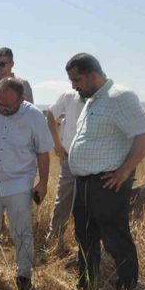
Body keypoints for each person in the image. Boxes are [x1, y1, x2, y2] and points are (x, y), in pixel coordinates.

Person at [66, 53, 145, 290]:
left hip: (107, 184)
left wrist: (125, 171)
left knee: (116, 242)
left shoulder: (119, 95)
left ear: (93, 75)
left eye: (77, 80)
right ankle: (86, 289)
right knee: (85, 239)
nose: (74, 86)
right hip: (83, 184)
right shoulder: (92, 99)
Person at [0, 77, 53, 290]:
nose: (2, 109)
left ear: (22, 99)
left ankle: (24, 273)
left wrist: (43, 183)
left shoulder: (34, 115)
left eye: (8, 106)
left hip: (18, 184)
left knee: (21, 231)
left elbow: (43, 152)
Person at [45, 89, 85, 242]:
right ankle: (54, 240)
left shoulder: (100, 97)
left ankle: (85, 247)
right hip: (68, 157)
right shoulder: (69, 96)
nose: (76, 85)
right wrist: (57, 144)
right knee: (63, 200)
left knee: (88, 204)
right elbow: (50, 113)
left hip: (94, 162)